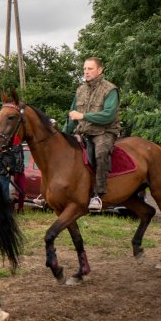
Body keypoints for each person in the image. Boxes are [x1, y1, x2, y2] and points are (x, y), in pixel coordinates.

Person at [65, 57, 121, 212]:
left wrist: (83, 116)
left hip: (104, 132)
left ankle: (98, 194)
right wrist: (63, 134)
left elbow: (109, 115)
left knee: (100, 153)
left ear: (100, 70)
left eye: (90, 69)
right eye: (84, 69)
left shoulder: (110, 90)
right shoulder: (80, 89)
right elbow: (72, 115)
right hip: (82, 132)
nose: (86, 72)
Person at [0, 136, 25, 212]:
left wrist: (9, 171)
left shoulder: (12, 149)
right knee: (3, 195)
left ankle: (5, 212)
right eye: (15, 144)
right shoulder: (2, 148)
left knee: (5, 195)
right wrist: (5, 172)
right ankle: (2, 212)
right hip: (1, 174)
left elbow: (16, 160)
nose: (16, 146)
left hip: (7, 174)